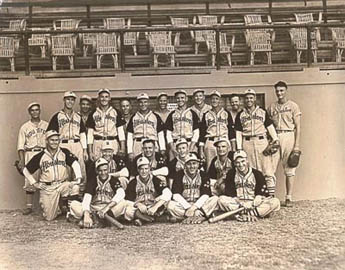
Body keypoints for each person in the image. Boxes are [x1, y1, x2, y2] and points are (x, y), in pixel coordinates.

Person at [22, 130, 81, 221]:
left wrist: (78, 177)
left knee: (75, 187)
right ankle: (57, 207)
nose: (54, 142)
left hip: (62, 184)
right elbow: (25, 170)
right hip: (48, 187)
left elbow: (75, 163)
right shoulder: (40, 156)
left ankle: (71, 212)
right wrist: (34, 183)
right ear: (47, 141)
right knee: (49, 217)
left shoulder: (64, 152)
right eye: (52, 140)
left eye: (56, 140)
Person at [235, 88, 279, 196]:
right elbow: (238, 132)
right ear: (244, 100)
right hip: (247, 142)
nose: (249, 100)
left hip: (261, 142)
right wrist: (239, 149)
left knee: (267, 170)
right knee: (251, 171)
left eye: (251, 97)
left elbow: (269, 126)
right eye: (246, 98)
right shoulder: (240, 114)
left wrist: (275, 139)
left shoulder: (262, 112)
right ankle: (254, 196)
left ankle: (271, 197)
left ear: (255, 99)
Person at [69, 158, 134, 228]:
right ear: (96, 171)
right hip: (94, 209)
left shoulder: (113, 180)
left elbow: (121, 193)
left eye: (105, 170)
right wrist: (86, 214)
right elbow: (87, 198)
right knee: (74, 204)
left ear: (108, 169)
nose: (103, 173)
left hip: (109, 209)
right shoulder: (93, 181)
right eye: (100, 171)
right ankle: (99, 220)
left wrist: (106, 208)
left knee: (123, 203)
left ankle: (96, 221)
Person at [218, 150, 280, 222]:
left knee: (275, 202)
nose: (240, 164)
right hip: (238, 204)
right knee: (221, 199)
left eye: (242, 161)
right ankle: (254, 214)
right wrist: (241, 204)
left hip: (253, 203)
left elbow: (261, 194)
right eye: (237, 162)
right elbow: (231, 194)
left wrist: (252, 204)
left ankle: (243, 214)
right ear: (234, 163)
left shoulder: (257, 174)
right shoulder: (231, 174)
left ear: (247, 160)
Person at [267, 81, 302, 207]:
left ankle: (288, 197)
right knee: (270, 167)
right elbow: (268, 126)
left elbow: (298, 127)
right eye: (277, 91)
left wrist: (296, 145)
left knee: (290, 167)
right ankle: (270, 196)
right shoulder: (272, 107)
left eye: (281, 90)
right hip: (275, 136)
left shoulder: (293, 106)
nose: (279, 93)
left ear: (286, 90)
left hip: (288, 135)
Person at [47, 91, 88, 187]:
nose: (70, 102)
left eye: (72, 100)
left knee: (80, 171)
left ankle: (79, 197)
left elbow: (82, 134)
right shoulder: (57, 116)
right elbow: (50, 134)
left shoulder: (78, 116)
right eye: (68, 99)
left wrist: (85, 150)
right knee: (64, 170)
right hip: (63, 144)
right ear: (64, 100)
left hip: (77, 144)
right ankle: (65, 198)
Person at [167, 152, 218, 224]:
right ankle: (200, 216)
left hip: (199, 205)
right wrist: (188, 207)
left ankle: (190, 216)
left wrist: (194, 208)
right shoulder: (179, 174)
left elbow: (206, 194)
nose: (192, 166)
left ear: (198, 164)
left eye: (194, 163)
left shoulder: (204, 175)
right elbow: (176, 194)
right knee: (170, 205)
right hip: (184, 205)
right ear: (185, 165)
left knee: (215, 199)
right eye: (189, 164)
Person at [17, 102, 48, 215]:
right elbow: (20, 146)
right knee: (30, 180)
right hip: (30, 153)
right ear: (29, 112)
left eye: (37, 110)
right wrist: (21, 160)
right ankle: (29, 207)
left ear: (40, 111)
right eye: (32, 110)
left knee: (46, 178)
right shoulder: (25, 127)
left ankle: (46, 205)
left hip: (44, 152)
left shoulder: (46, 125)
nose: (35, 112)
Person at [125, 157, 172, 226]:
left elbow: (168, 193)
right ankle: (151, 219)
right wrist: (137, 204)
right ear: (138, 170)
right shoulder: (133, 182)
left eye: (146, 169)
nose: (144, 171)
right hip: (140, 208)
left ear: (150, 169)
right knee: (128, 210)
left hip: (153, 207)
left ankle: (142, 219)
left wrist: (155, 207)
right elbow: (127, 200)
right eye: (141, 169)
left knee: (167, 201)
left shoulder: (155, 180)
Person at [199, 90, 236, 170]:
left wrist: (233, 148)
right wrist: (201, 150)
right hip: (211, 142)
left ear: (220, 100)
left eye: (216, 98)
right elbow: (202, 133)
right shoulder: (206, 114)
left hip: (224, 141)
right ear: (210, 101)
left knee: (227, 166)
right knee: (210, 166)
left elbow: (231, 131)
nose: (214, 100)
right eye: (212, 99)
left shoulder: (226, 113)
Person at [87, 88, 126, 161]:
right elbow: (90, 134)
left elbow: (120, 131)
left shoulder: (116, 112)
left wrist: (122, 148)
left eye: (106, 97)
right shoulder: (93, 113)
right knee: (98, 166)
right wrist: (90, 151)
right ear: (98, 98)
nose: (104, 99)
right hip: (98, 142)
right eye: (102, 97)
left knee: (113, 165)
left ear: (109, 98)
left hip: (112, 141)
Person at [127, 93, 166, 159]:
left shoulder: (155, 116)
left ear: (149, 103)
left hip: (152, 143)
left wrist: (162, 148)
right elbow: (130, 135)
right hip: (138, 143)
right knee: (138, 164)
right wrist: (130, 151)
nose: (143, 104)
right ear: (138, 104)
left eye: (145, 102)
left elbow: (160, 134)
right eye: (141, 102)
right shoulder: (133, 117)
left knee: (153, 164)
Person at [166, 90, 199, 160]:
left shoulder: (192, 113)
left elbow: (196, 132)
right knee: (174, 167)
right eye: (178, 98)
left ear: (186, 98)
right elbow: (168, 133)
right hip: (175, 144)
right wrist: (172, 148)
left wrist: (192, 147)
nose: (180, 100)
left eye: (182, 98)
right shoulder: (172, 114)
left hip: (189, 143)